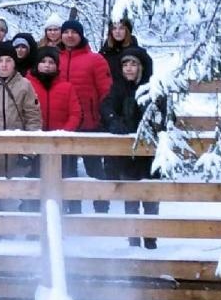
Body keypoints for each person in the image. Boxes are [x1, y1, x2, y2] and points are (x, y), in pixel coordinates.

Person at [0, 41, 42, 239]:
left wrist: (29, 151)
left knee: (12, 199)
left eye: (8, 60)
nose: (4, 64)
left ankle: (11, 243)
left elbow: (33, 118)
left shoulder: (24, 85)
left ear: (14, 62)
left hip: (15, 153)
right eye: (0, 60)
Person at [100, 47, 163, 249]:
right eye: (125, 64)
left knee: (151, 197)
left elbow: (163, 115)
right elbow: (106, 107)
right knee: (130, 198)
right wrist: (114, 121)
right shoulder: (118, 88)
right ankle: (133, 240)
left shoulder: (153, 88)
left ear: (141, 67)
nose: (128, 68)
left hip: (150, 153)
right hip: (127, 154)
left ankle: (151, 239)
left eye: (133, 64)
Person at [57, 18, 113, 212]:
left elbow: (106, 91)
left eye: (74, 32)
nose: (70, 36)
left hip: (91, 122)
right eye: (66, 32)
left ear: (80, 35)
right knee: (67, 169)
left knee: (95, 168)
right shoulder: (55, 58)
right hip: (64, 124)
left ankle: (102, 204)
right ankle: (73, 208)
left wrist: (104, 117)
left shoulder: (95, 59)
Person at [101, 16, 153, 82]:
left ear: (127, 30)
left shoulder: (140, 55)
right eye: (114, 28)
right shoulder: (104, 53)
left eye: (121, 28)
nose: (117, 31)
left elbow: (146, 81)